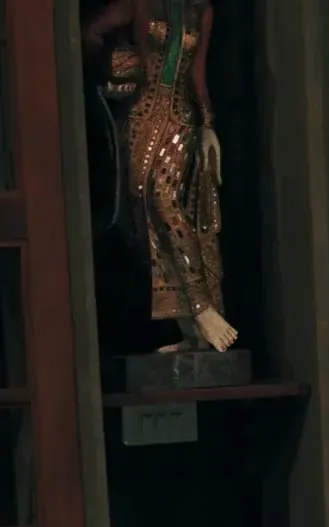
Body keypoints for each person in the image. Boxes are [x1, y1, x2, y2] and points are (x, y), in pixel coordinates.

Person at [84, 0, 239, 353]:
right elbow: (90, 33)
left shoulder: (200, 9)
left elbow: (197, 73)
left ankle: (203, 309)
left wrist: (208, 127)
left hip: (180, 117)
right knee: (142, 218)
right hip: (139, 117)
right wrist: (114, 67)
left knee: (164, 198)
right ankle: (188, 330)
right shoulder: (138, 4)